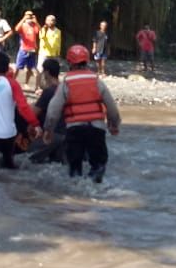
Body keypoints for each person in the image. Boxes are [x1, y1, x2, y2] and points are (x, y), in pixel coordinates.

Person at [45, 44, 121, 183]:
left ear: (69, 62)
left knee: (74, 169)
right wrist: (114, 125)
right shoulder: (96, 80)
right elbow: (111, 107)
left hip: (74, 129)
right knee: (98, 165)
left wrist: (48, 130)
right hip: (96, 129)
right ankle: (95, 186)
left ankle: (77, 191)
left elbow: (53, 110)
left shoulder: (67, 82)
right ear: (87, 61)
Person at [0, 52, 40, 170]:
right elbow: (23, 107)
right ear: (7, 67)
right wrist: (35, 124)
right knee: (8, 168)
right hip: (7, 134)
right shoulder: (12, 84)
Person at [26, 59, 66, 165]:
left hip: (51, 135)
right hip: (66, 135)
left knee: (27, 159)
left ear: (47, 72)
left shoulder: (48, 91)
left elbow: (33, 114)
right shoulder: (65, 89)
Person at [14, 11, 41, 87]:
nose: (29, 17)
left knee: (30, 68)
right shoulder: (23, 25)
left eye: (31, 15)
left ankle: (26, 83)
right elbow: (16, 29)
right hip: (23, 49)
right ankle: (13, 81)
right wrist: (23, 19)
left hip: (32, 50)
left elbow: (40, 31)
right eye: (28, 15)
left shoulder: (34, 25)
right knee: (17, 67)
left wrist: (36, 21)